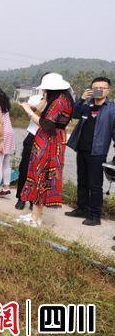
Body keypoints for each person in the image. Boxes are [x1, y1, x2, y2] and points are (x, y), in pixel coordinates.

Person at [18, 73, 74, 227]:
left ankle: (36, 218)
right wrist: (36, 107)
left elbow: (48, 125)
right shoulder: (61, 98)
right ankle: (35, 215)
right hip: (51, 140)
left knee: (41, 175)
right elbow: (50, 118)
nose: (43, 92)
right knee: (39, 174)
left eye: (45, 89)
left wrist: (29, 112)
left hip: (49, 142)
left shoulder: (59, 101)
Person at [66, 76, 115, 226]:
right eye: (95, 88)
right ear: (91, 90)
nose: (98, 90)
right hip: (82, 148)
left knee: (95, 185)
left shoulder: (112, 109)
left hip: (98, 151)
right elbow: (73, 114)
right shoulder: (86, 105)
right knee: (82, 180)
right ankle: (82, 208)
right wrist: (81, 99)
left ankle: (95, 215)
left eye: (102, 88)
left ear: (108, 90)